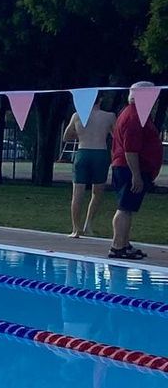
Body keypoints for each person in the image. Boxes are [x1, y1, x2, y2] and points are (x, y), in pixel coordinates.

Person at [107, 82, 162, 261]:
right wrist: (136, 175)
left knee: (128, 208)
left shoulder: (135, 114)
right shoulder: (134, 117)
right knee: (124, 207)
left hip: (128, 166)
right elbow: (130, 150)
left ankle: (124, 243)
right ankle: (117, 246)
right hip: (129, 168)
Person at [64, 93, 117, 239]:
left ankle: (76, 229)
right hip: (100, 153)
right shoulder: (109, 116)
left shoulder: (77, 116)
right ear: (100, 100)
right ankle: (88, 224)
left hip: (83, 152)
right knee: (97, 192)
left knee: (77, 192)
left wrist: (81, 136)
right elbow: (117, 136)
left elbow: (66, 137)